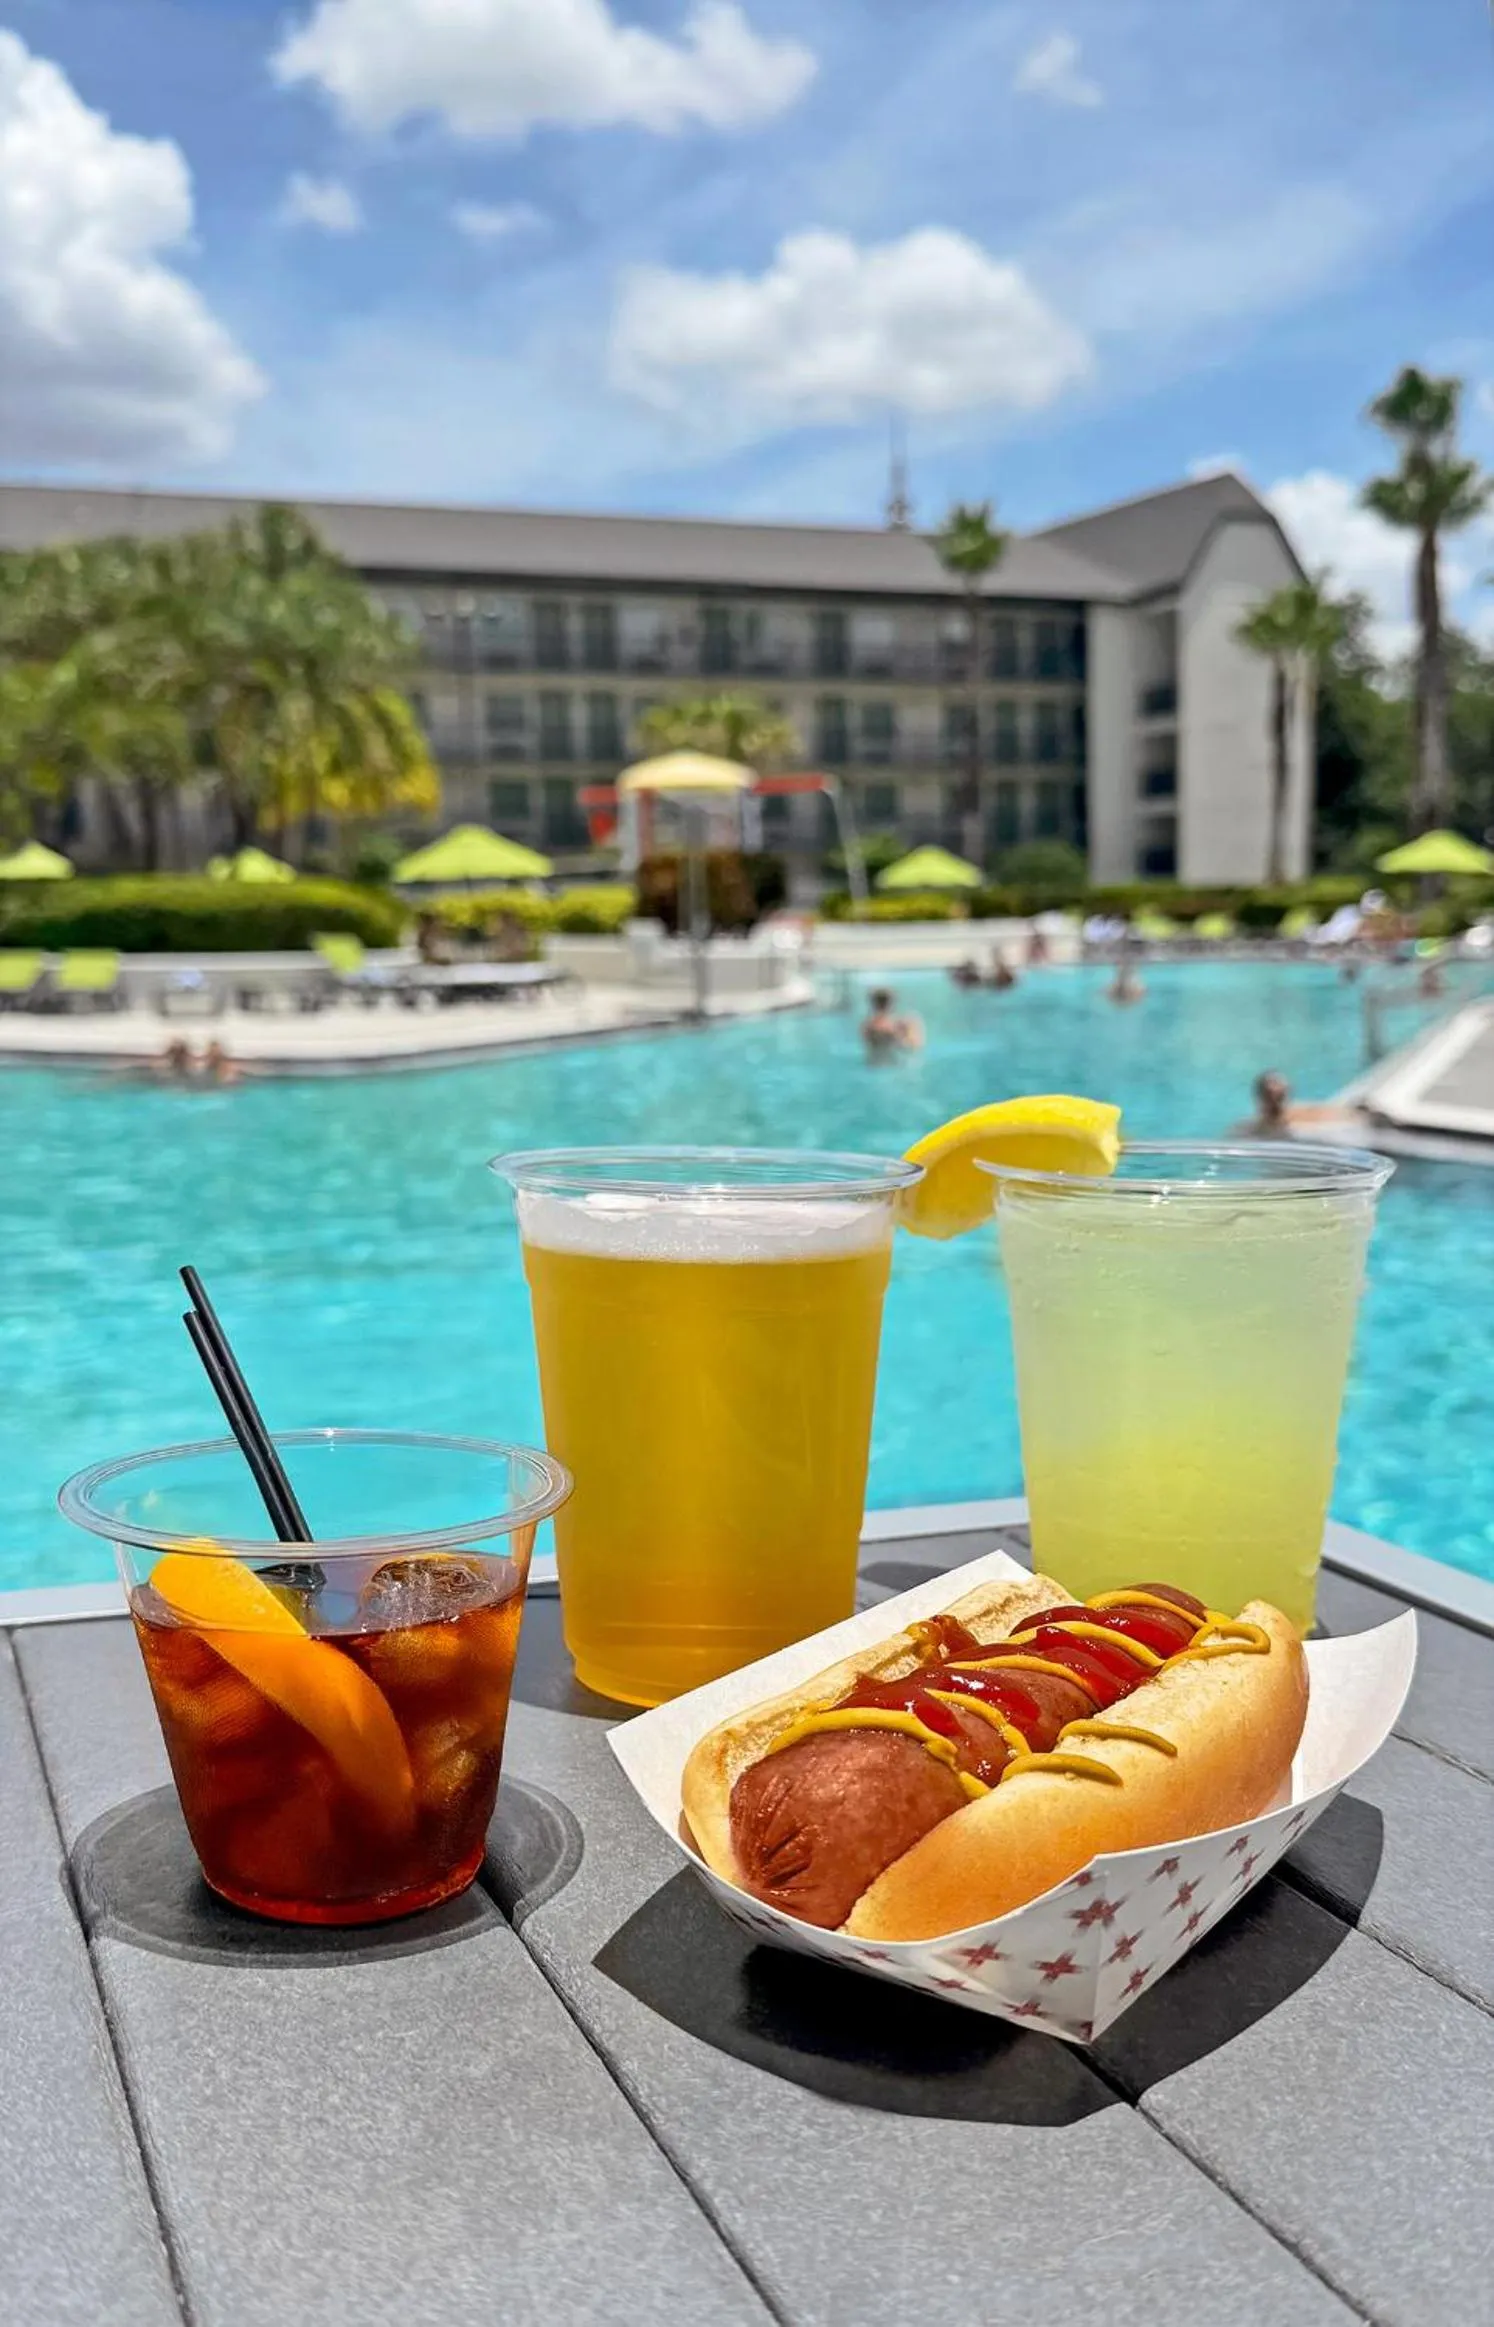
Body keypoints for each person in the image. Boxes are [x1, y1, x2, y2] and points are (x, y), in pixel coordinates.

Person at [860, 986, 924, 1059]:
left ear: (873, 1005)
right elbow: (915, 1046)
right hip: (897, 1059)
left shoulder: (867, 1026)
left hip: (875, 1063)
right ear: (892, 1004)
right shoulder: (904, 1022)